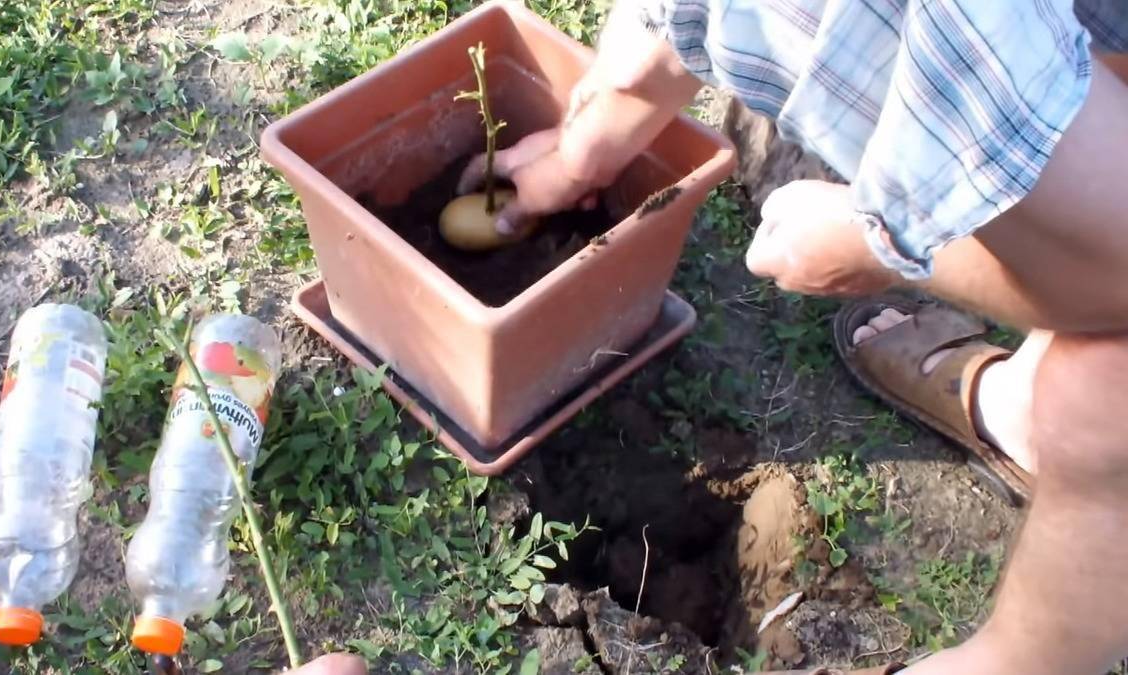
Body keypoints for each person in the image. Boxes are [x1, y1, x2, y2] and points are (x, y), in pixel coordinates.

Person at [452, 0, 1128, 673]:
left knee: (1103, 385)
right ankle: (1024, 410)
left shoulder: (955, 36)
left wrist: (876, 241)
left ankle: (1021, 659)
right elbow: (668, 25)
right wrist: (576, 157)